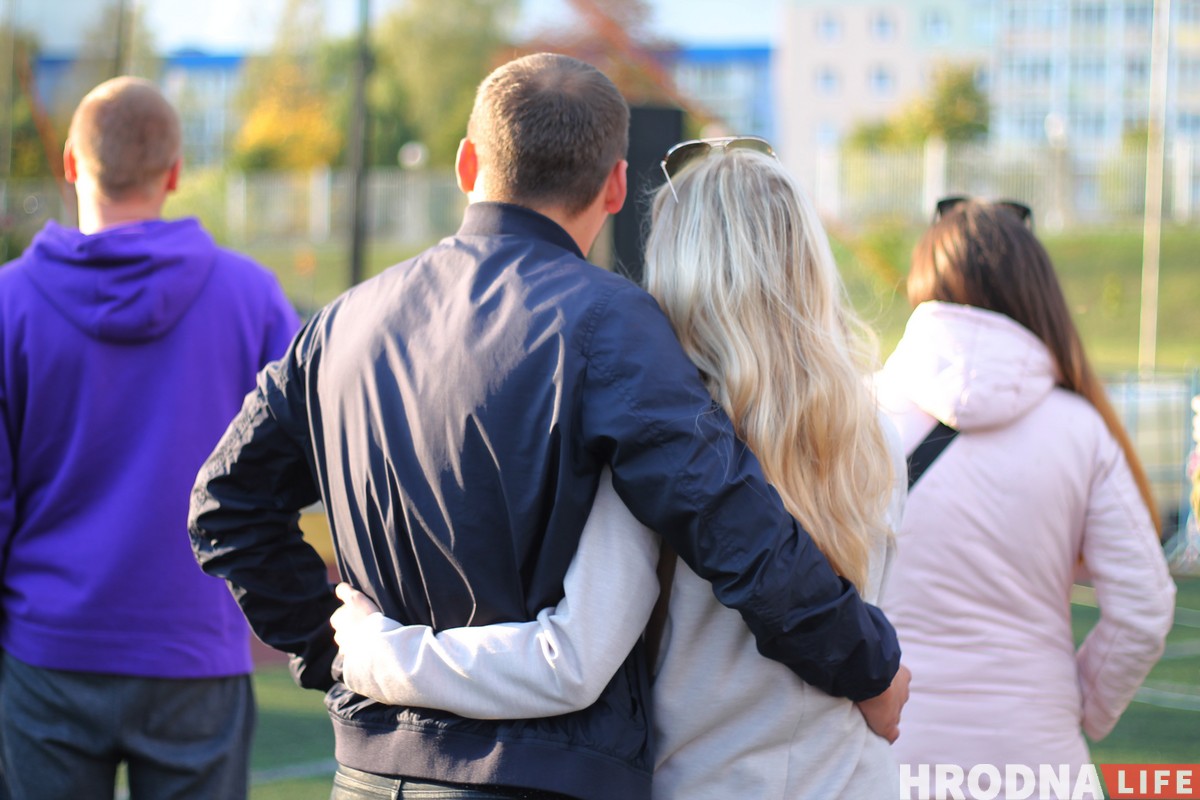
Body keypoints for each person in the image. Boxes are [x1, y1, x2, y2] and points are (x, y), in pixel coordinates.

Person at [189, 54, 904, 800]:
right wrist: (867, 667)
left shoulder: (342, 323)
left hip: (368, 773)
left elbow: (224, 505)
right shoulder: (609, 324)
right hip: (532, 775)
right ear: (617, 186)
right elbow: (730, 519)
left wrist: (333, 648)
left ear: (468, 163)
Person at [0, 77, 301, 800]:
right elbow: (299, 464)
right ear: (174, 171)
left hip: (48, 648)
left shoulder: (9, 302)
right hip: (195, 640)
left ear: (72, 164)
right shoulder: (252, 296)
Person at [874, 198, 1176, 799]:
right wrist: (1079, 706)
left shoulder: (858, 412)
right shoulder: (1081, 429)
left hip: (888, 758)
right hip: (1039, 766)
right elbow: (1144, 607)